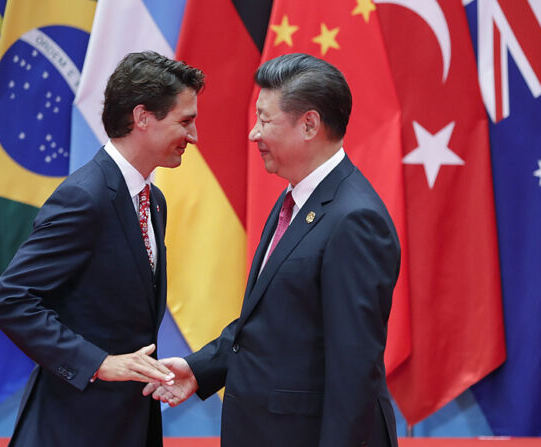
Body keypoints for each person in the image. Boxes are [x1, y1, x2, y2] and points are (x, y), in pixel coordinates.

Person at [144, 53, 400, 446]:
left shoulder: (354, 220)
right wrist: (200, 369)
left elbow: (353, 371)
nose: (254, 133)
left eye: (264, 119)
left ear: (309, 124)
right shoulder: (297, 202)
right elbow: (273, 322)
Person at [0, 51, 204, 447]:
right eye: (185, 122)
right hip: (73, 426)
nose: (193, 137)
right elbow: (12, 299)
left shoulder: (153, 200)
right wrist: (99, 364)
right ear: (142, 118)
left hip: (130, 424)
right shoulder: (84, 196)